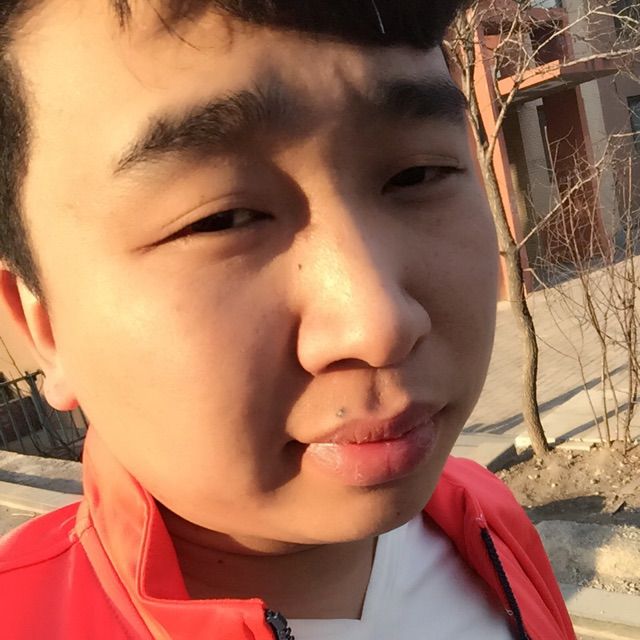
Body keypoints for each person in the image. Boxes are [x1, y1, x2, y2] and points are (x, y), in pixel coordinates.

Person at [0, 1, 575, 638]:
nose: (378, 323)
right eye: (220, 220)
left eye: (419, 174)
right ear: (40, 325)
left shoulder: (485, 519)